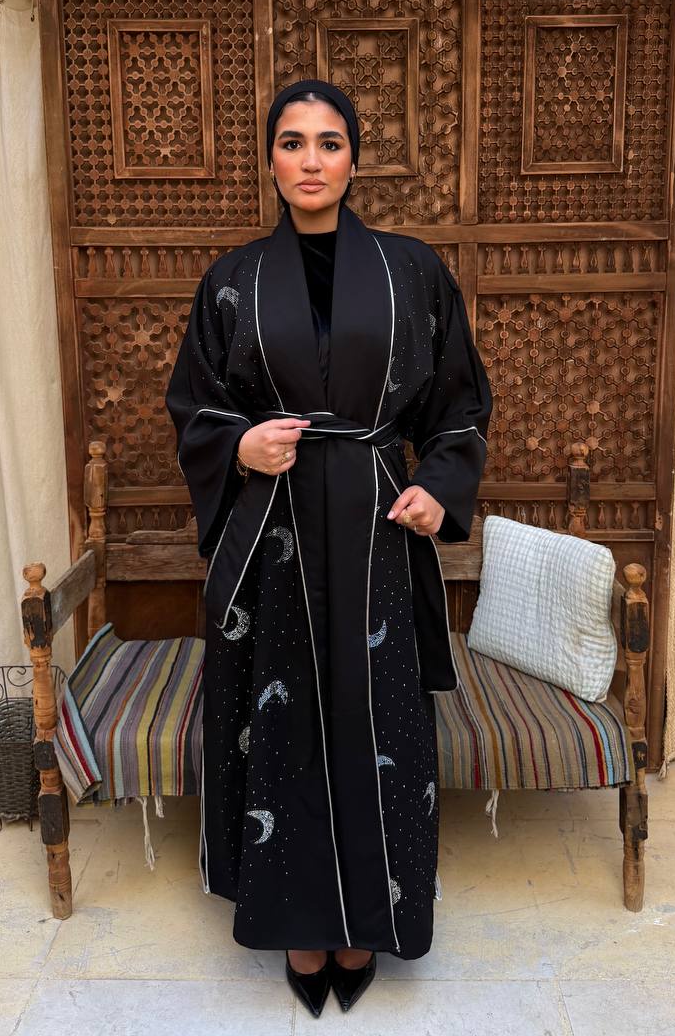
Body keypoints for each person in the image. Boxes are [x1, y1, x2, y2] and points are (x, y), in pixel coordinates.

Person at [165, 78, 492, 1016]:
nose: (311, 160)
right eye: (293, 142)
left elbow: (459, 404)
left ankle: (367, 924)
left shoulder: (412, 270)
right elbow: (194, 403)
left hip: (378, 526)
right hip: (273, 535)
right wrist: (239, 446)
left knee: (377, 722)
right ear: (270, 160)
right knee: (285, 728)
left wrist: (439, 489)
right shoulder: (232, 279)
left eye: (330, 142)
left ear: (354, 160)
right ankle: (299, 929)